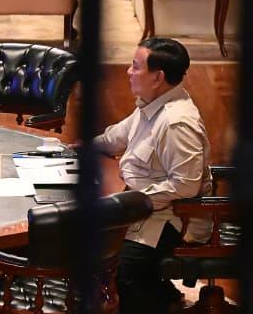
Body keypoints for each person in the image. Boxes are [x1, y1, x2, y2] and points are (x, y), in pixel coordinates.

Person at [90, 38, 212, 314]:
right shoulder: (152, 103)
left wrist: (130, 203)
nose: (128, 71)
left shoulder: (176, 123)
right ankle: (165, 296)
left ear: (158, 78)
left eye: (136, 66)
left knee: (121, 269)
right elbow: (117, 136)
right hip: (141, 208)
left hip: (170, 218)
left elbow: (185, 185)